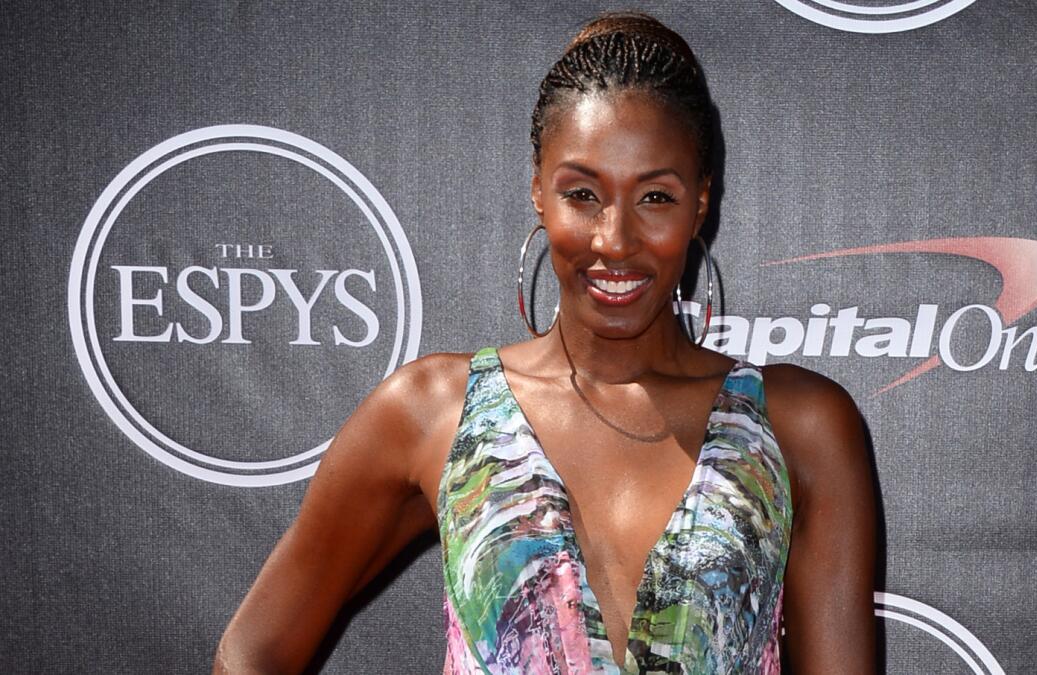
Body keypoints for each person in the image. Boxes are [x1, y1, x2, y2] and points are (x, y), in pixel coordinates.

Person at [213, 11, 876, 674]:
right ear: (538, 190)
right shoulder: (432, 413)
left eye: (655, 196)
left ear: (701, 204)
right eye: (582, 193)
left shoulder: (799, 428)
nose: (614, 239)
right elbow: (253, 649)